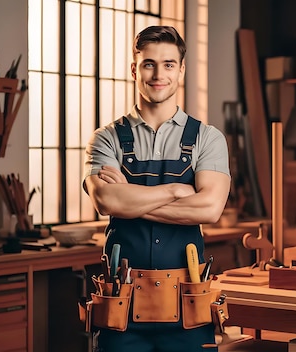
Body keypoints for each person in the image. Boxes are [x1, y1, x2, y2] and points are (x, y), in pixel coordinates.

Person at [83, 25, 231, 352]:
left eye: (168, 64)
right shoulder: (106, 138)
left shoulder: (208, 138)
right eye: (149, 64)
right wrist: (178, 190)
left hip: (187, 309)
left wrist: (131, 199)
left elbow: (209, 209)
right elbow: (106, 199)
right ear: (135, 69)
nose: (158, 74)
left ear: (180, 70)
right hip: (121, 308)